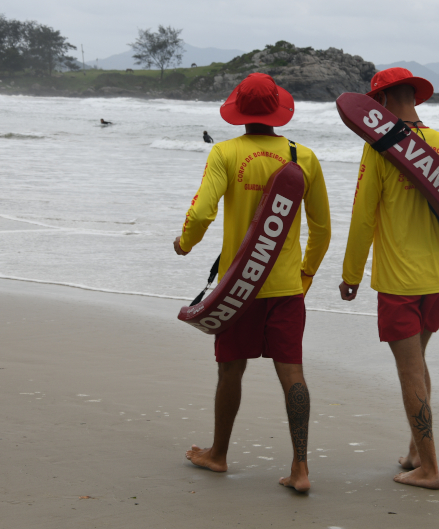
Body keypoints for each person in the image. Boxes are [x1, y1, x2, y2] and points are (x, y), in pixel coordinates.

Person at [174, 73, 331, 493]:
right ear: (278, 110)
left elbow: (203, 211)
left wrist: (184, 242)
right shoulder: (303, 157)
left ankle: (218, 454)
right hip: (285, 290)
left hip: (238, 289)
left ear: (238, 111)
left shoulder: (225, 153)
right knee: (292, 372)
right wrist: (305, 275)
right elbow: (322, 229)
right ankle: (300, 469)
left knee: (230, 371)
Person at [338, 68, 439, 490]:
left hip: (398, 282)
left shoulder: (380, 150)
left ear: (381, 104)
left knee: (409, 371)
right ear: (414, 98)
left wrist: (351, 273)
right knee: (419, 365)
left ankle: (430, 468)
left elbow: (363, 216)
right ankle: (414, 452)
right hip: (438, 280)